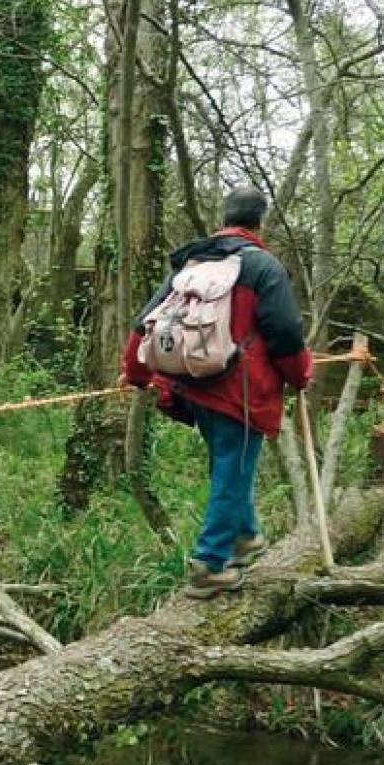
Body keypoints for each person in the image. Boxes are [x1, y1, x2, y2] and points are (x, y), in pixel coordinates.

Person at [120, 187, 313, 598]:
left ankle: (244, 537)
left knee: (229, 465)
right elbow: (285, 332)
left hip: (192, 386)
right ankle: (209, 564)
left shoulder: (195, 260)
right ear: (260, 222)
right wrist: (300, 375)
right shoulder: (263, 266)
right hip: (240, 392)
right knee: (233, 468)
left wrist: (135, 371)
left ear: (225, 217)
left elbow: (146, 322)